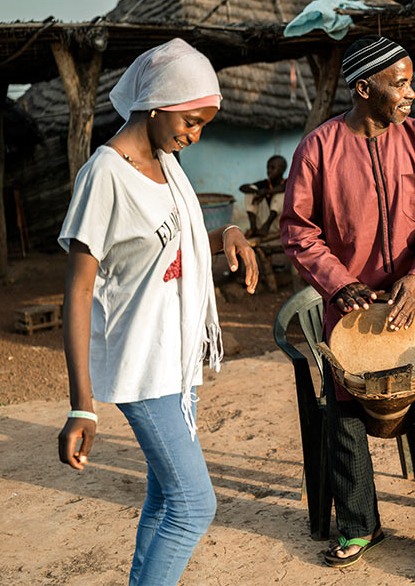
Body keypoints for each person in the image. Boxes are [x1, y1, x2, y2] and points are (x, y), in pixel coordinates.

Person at [56, 38, 258, 586]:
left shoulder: (168, 166)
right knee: (195, 505)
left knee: (165, 499)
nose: (195, 135)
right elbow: (76, 292)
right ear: (158, 102)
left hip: (177, 361)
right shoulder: (105, 175)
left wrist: (229, 235)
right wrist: (83, 406)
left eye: (203, 125)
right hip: (141, 367)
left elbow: (175, 244)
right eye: (191, 121)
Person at [280, 36, 415, 581]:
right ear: (364, 88)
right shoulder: (318, 149)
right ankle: (360, 523)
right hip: (352, 312)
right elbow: (298, 230)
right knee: (345, 417)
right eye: (399, 83)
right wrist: (338, 285)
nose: (411, 93)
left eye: (410, 81)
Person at [239, 155, 287, 238]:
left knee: (282, 193)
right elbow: (242, 188)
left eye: (272, 168)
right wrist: (258, 192)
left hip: (278, 224)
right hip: (262, 224)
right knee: (251, 190)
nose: (269, 171)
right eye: (267, 168)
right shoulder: (265, 183)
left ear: (282, 170)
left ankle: (266, 226)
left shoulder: (288, 182)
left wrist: (266, 192)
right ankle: (253, 227)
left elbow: (284, 187)